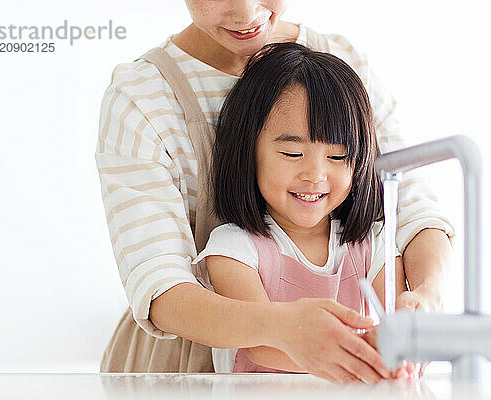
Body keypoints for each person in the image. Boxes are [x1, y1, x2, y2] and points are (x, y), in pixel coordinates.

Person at [95, 0, 454, 384]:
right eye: (292, 152)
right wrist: (281, 329)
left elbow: (412, 211)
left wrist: (425, 300)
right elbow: (161, 283)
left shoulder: (345, 62)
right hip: (176, 375)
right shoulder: (143, 97)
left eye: (336, 155)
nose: (247, 13)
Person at [196, 41, 409, 376]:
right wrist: (362, 357)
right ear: (248, 152)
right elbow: (261, 345)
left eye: (337, 156)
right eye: (292, 154)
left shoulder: (374, 243)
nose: (315, 175)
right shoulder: (234, 248)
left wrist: (397, 344)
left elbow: (397, 315)